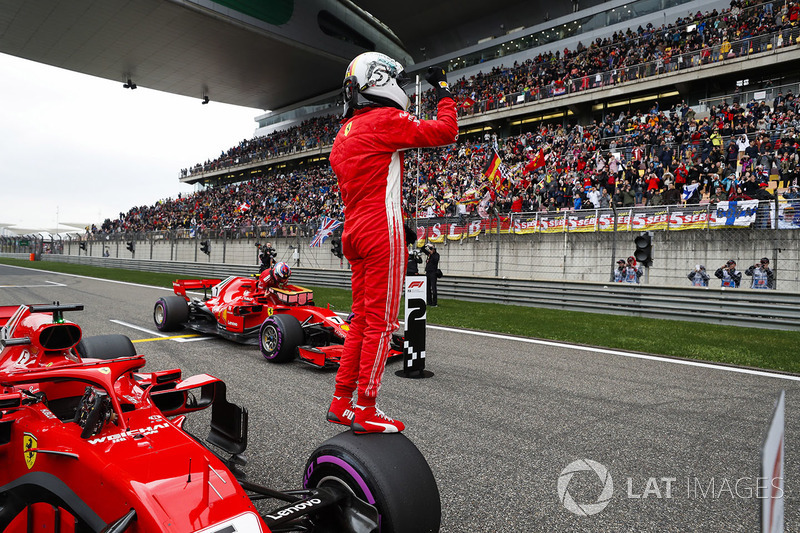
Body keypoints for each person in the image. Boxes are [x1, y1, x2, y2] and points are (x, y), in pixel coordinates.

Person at [326, 53, 458, 434]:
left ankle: (341, 400)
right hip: (381, 229)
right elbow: (446, 131)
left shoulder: (342, 135)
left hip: (353, 230)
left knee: (362, 321)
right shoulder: (385, 120)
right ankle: (366, 405)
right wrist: (444, 90)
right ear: (380, 80)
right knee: (382, 323)